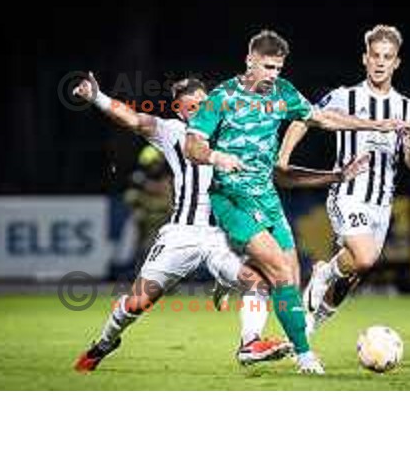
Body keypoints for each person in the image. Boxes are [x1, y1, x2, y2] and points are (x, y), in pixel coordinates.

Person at [72, 74, 368, 372]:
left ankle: (250, 342)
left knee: (260, 282)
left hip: (222, 235)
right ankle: (105, 342)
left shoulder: (239, 129)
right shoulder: (174, 132)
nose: (199, 111)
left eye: (203, 104)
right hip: (182, 234)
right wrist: (98, 97)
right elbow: (134, 120)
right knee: (138, 302)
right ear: (180, 111)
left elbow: (280, 173)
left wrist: (335, 175)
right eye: (191, 107)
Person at [185, 29, 407, 374]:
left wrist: (374, 125)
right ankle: (303, 355)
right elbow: (192, 146)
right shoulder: (222, 97)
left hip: (267, 197)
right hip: (231, 196)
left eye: (278, 68)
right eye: (267, 67)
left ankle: (243, 306)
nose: (273, 75)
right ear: (250, 61)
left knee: (290, 272)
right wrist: (216, 157)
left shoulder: (283, 93)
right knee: (277, 269)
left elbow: (323, 118)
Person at [278, 24, 410, 334]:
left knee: (354, 274)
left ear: (396, 62)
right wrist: (284, 157)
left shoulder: (407, 108)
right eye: (375, 56)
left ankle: (310, 325)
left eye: (388, 56)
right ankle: (326, 271)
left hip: (382, 204)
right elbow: (305, 117)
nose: (381, 62)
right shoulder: (346, 97)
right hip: (348, 192)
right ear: (365, 59)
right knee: (366, 258)